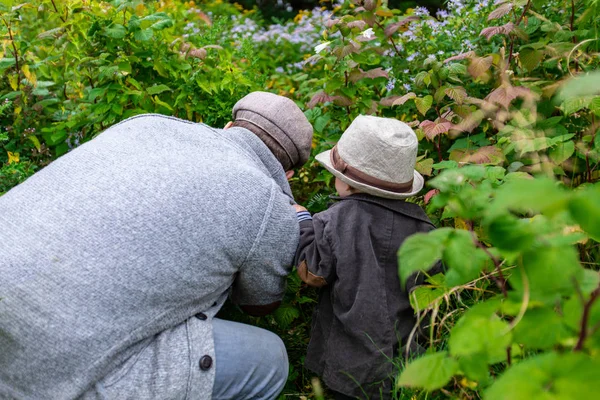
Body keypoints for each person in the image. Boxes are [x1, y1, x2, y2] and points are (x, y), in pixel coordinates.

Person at [0, 91, 313, 400]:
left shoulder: (145, 125)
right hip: (39, 362)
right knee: (268, 359)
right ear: (287, 174)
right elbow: (259, 303)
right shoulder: (271, 202)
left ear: (230, 127)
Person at [293, 115, 441, 399]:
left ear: (347, 184)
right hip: (407, 365)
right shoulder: (426, 230)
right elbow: (433, 297)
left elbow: (313, 272)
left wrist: (303, 223)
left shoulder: (334, 220)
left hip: (346, 365)